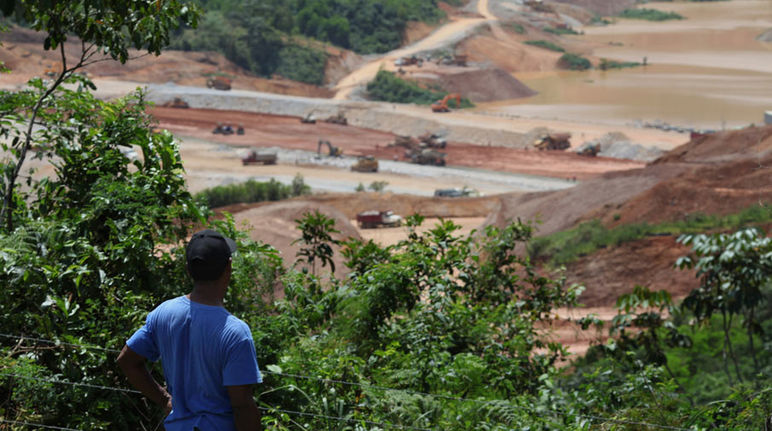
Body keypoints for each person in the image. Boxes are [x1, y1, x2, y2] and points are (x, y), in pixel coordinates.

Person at [117, 229, 262, 431]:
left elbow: (127, 360)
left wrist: (165, 399)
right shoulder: (235, 332)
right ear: (228, 267)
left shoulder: (163, 313)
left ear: (188, 269)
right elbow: (242, 405)